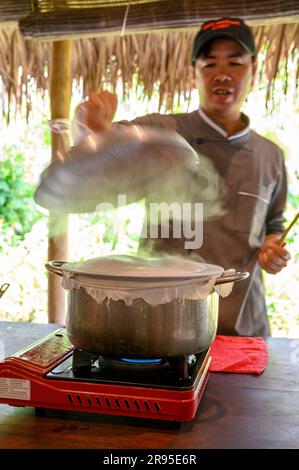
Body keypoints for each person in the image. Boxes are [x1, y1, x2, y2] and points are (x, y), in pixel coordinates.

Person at [73, 17, 290, 337]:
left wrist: (274, 246)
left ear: (254, 70)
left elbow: (274, 223)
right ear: (193, 75)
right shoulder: (161, 133)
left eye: (235, 62)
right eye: (209, 63)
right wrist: (90, 123)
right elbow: (99, 152)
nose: (222, 74)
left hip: (242, 326)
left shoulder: (269, 155)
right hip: (162, 324)